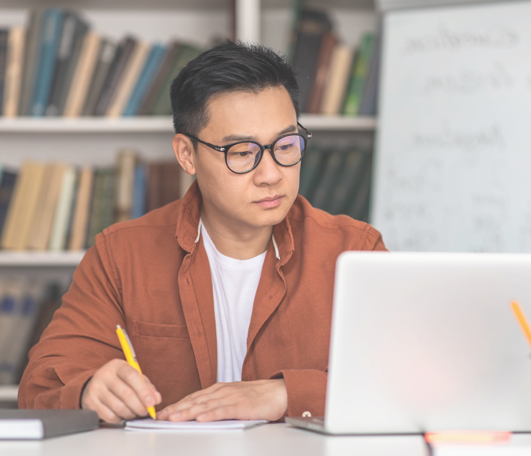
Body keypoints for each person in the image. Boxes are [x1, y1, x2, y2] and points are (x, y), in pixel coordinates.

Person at [19, 42, 386, 423]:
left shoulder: (354, 251)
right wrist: (88, 389)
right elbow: (40, 387)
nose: (272, 174)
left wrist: (283, 394)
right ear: (186, 155)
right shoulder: (122, 254)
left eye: (285, 145)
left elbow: (410, 384)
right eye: (242, 152)